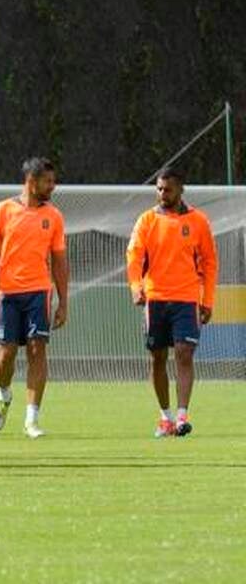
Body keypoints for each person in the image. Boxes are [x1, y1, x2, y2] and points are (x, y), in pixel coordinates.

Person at [0, 157, 69, 438]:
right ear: (31, 181)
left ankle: (32, 419)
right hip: (7, 293)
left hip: (39, 292)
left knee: (37, 349)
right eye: (48, 182)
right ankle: (4, 396)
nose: (52, 187)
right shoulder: (2, 211)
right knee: (6, 354)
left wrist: (63, 301)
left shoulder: (53, 216)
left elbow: (60, 261)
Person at [125, 167, 216, 438]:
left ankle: (182, 416)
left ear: (181, 190)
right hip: (156, 299)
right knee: (157, 357)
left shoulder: (198, 221)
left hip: (187, 299)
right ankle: (164, 416)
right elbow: (134, 256)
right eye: (159, 189)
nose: (162, 194)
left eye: (168, 189)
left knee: (184, 352)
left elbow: (210, 262)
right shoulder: (147, 220)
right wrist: (135, 286)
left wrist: (207, 299)